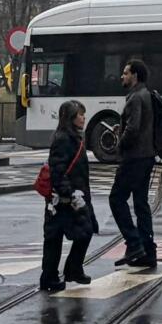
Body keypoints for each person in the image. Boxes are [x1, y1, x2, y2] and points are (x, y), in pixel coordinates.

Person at [39, 99, 96, 294]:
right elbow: (58, 170)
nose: (83, 118)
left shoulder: (74, 137)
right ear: (71, 118)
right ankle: (53, 276)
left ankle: (65, 271)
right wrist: (69, 194)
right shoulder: (64, 139)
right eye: (80, 114)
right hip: (65, 200)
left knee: (79, 232)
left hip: (73, 196)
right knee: (61, 237)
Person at [110, 57, 158, 270]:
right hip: (146, 155)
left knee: (116, 199)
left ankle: (134, 243)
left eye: (126, 72)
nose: (122, 76)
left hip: (134, 158)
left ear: (135, 75)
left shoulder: (136, 98)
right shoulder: (146, 94)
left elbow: (134, 128)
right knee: (140, 203)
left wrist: (120, 144)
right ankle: (148, 251)